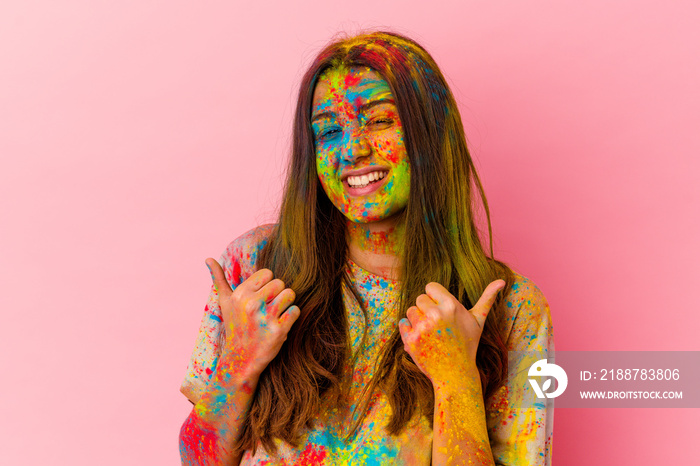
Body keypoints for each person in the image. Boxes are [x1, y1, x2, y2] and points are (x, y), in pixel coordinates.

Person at [179, 31, 554, 466]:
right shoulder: (255, 266)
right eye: (330, 131)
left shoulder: (512, 309)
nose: (353, 149)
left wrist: (457, 384)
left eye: (378, 121)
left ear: (430, 135)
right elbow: (197, 461)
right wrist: (237, 364)